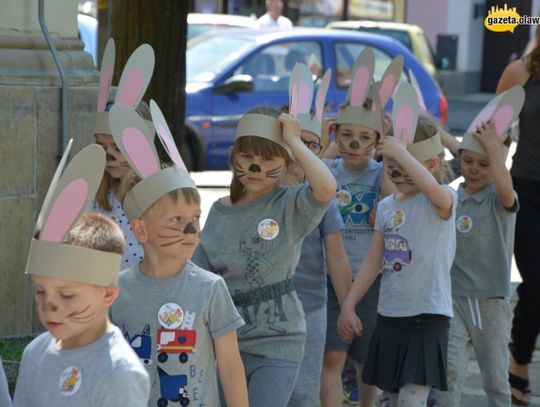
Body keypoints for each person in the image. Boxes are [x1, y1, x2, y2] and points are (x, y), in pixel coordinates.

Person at [192, 104, 336, 406]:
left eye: (268, 157)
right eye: (247, 156)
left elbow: (325, 188)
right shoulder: (218, 211)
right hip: (227, 344)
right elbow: (200, 276)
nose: (256, 166)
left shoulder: (290, 204)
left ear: (285, 162)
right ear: (233, 156)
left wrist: (295, 141)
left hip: (279, 343)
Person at [107, 101, 248, 407]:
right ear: (141, 231)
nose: (190, 229)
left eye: (195, 218)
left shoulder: (210, 288)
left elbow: (230, 365)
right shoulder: (116, 292)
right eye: (176, 220)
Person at [338, 82, 457, 407]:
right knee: (389, 397)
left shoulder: (443, 200)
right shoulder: (389, 206)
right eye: (392, 169)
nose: (397, 175)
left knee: (411, 400)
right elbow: (373, 261)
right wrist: (349, 304)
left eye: (405, 169)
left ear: (431, 164)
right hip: (390, 314)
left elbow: (432, 189)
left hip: (428, 315)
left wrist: (402, 152)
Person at [13, 144, 150, 407]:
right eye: (40, 290)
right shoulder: (35, 353)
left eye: (67, 294)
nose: (49, 305)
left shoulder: (119, 374)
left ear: (108, 294)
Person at [321, 48, 401, 407]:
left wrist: (385, 151)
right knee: (332, 357)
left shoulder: (379, 174)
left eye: (363, 138)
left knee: (366, 359)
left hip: (371, 282)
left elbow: (390, 205)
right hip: (329, 277)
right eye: (346, 135)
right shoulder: (330, 170)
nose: (353, 144)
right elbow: (309, 183)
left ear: (376, 141)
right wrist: (325, 145)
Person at [438, 86, 524, 407]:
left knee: (494, 379)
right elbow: (457, 155)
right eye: (469, 162)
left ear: (499, 165)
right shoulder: (454, 195)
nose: (474, 169)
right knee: (450, 375)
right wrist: (440, 133)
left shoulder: (498, 200)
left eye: (485, 164)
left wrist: (493, 149)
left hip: (491, 302)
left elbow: (506, 188)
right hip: (454, 298)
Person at [281, 65, 352, 407]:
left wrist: (348, 306)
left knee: (304, 392)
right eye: (300, 144)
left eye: (314, 146)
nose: (305, 152)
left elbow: (336, 258)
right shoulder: (266, 192)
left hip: (311, 306)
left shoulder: (323, 200)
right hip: (267, 310)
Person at [496, 24, 540, 406]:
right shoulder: (522, 71)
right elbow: (492, 132)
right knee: (538, 284)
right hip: (527, 191)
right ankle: (519, 362)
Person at [91, 38, 155, 268]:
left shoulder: (161, 197)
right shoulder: (94, 197)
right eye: (103, 147)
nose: (110, 157)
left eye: (118, 148)